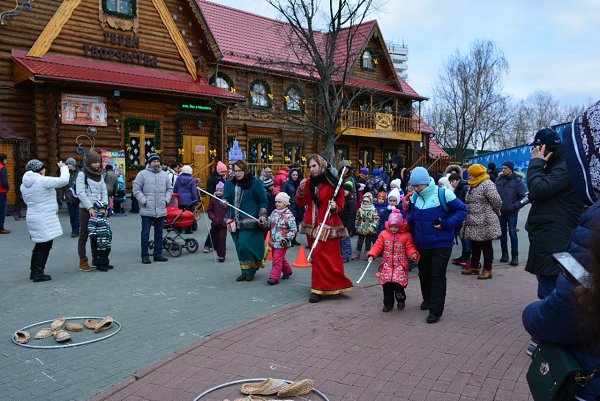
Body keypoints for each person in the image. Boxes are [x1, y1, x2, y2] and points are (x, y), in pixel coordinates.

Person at [526, 128, 584, 299]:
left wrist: (536, 163)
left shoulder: (565, 166)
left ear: (544, 148)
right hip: (552, 236)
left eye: (536, 149)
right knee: (569, 282)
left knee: (552, 290)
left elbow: (538, 189)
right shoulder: (558, 165)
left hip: (556, 237)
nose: (533, 153)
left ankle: (561, 322)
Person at [406, 167, 467, 323]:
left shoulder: (443, 194)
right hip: (422, 243)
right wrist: (402, 225)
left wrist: (447, 224)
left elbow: (462, 210)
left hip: (442, 243)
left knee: (437, 275)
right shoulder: (415, 197)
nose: (415, 189)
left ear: (426, 183)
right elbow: (413, 216)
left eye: (418, 186)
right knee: (424, 273)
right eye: (413, 186)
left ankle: (436, 310)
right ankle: (427, 299)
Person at [296, 154, 354, 303]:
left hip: (328, 225)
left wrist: (335, 206)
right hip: (311, 226)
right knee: (317, 257)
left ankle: (322, 288)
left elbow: (340, 200)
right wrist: (300, 191)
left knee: (328, 258)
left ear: (321, 165)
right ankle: (320, 286)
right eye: (309, 167)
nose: (311, 169)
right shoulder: (308, 183)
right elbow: (301, 203)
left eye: (314, 166)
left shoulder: (332, 182)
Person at [20, 159, 69, 282]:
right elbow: (64, 181)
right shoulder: (42, 180)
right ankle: (38, 273)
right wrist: (63, 167)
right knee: (45, 245)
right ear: (39, 170)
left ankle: (34, 271)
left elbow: (27, 201)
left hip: (33, 216)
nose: (45, 170)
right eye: (43, 168)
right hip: (44, 217)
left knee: (39, 244)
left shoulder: (24, 184)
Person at [223, 159, 268, 282]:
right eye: (235, 171)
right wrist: (224, 202)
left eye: (240, 171)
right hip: (233, 220)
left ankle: (252, 268)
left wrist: (262, 214)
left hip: (249, 219)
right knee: (239, 247)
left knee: (244, 243)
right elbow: (225, 199)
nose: (237, 173)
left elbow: (263, 201)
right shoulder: (229, 183)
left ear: (246, 170)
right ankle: (245, 271)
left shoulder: (255, 183)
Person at [368, 209, 419, 312]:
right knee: (386, 287)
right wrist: (372, 254)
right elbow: (378, 245)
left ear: (400, 226)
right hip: (386, 265)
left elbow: (409, 247)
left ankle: (401, 300)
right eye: (392, 226)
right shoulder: (383, 234)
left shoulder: (406, 236)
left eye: (396, 226)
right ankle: (388, 304)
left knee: (398, 286)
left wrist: (413, 254)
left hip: (400, 265)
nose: (394, 229)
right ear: (388, 225)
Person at [459, 164, 502, 279]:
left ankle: (488, 269)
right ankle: (474, 266)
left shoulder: (487, 184)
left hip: (485, 220)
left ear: (476, 174)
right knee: (475, 244)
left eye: (470, 175)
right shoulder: (473, 184)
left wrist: (495, 211)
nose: (469, 177)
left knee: (486, 245)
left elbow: (496, 200)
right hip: (473, 220)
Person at [133, 153, 173, 264]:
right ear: (149, 163)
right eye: (154, 161)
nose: (156, 163)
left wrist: (166, 200)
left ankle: (158, 254)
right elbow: (136, 190)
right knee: (145, 234)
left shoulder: (164, 175)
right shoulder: (142, 174)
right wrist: (144, 201)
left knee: (159, 233)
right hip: (147, 209)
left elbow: (170, 189)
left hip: (161, 208)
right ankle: (145, 256)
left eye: (158, 161)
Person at [76, 151, 108, 272]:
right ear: (88, 163)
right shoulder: (82, 174)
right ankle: (83, 261)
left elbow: (104, 191)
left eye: (98, 161)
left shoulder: (100, 174)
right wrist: (89, 207)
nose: (97, 164)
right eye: (94, 162)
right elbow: (80, 192)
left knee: (97, 235)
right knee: (84, 235)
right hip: (85, 209)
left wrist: (104, 206)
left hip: (99, 209)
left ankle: (96, 258)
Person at [495, 160, 528, 265]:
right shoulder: (498, 180)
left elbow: (526, 197)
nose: (503, 170)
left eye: (505, 168)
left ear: (511, 169)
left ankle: (515, 256)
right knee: (502, 234)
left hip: (512, 212)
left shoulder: (518, 182)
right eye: (502, 168)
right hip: (500, 212)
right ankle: (504, 254)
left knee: (513, 233)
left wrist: (515, 206)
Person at [267, 192, 297, 285]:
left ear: (285, 203)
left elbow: (293, 229)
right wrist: (264, 223)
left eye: (279, 202)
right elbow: (269, 223)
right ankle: (288, 271)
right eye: (276, 202)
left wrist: (287, 238)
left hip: (282, 242)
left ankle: (274, 277)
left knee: (276, 259)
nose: (277, 204)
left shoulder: (289, 215)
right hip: (273, 240)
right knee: (280, 258)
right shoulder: (274, 213)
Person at [448, 171, 471, 266]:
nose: (451, 183)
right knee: (462, 235)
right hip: (462, 214)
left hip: (465, 215)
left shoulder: (464, 188)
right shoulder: (459, 188)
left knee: (464, 235)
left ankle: (466, 255)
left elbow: (463, 202)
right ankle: (465, 254)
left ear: (457, 180)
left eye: (452, 181)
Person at [204, 161, 228, 252]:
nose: (224, 173)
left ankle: (217, 244)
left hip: (223, 204)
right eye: (222, 172)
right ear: (218, 171)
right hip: (215, 203)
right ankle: (208, 244)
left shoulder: (224, 179)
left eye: (225, 172)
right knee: (214, 226)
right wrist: (217, 193)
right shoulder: (212, 179)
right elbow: (209, 190)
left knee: (221, 226)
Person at [352, 192, 379, 261]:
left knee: (368, 242)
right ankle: (357, 253)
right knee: (359, 241)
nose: (365, 202)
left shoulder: (373, 210)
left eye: (367, 201)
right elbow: (357, 218)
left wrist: (373, 226)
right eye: (364, 201)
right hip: (361, 228)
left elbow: (376, 219)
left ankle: (367, 253)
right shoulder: (360, 209)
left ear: (370, 201)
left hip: (370, 228)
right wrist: (357, 225)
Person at [87, 200, 113, 272]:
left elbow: (107, 228)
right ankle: (99, 265)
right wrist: (93, 235)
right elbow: (91, 227)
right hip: (99, 240)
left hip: (106, 239)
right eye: (101, 209)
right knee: (99, 253)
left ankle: (105, 263)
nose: (103, 211)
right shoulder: (94, 218)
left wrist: (110, 234)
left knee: (106, 251)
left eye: (104, 210)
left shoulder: (104, 218)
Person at [173, 165, 199, 234]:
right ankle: (188, 229)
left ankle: (178, 228)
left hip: (179, 200)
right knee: (189, 215)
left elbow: (174, 189)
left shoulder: (178, 179)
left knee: (179, 214)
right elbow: (194, 192)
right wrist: (196, 201)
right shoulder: (192, 180)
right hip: (189, 201)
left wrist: (174, 199)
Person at [281, 167, 304, 246]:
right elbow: (283, 194)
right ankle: (288, 239)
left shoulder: (299, 183)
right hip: (290, 205)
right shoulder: (286, 184)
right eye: (293, 175)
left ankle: (294, 239)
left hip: (298, 205)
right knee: (290, 223)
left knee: (296, 222)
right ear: (290, 175)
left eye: (296, 175)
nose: (295, 176)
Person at [207, 181, 228, 262]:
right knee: (216, 239)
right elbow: (209, 210)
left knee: (222, 238)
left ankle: (222, 255)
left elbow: (229, 210)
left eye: (221, 191)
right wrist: (213, 218)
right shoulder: (213, 199)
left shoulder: (226, 200)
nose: (219, 192)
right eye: (218, 190)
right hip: (215, 223)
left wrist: (226, 219)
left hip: (223, 223)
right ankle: (218, 251)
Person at [339, 181, 356, 262]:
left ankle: (346, 255)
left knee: (346, 241)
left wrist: (348, 227)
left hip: (347, 224)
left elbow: (351, 215)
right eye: (344, 189)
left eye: (347, 190)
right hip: (340, 223)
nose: (345, 191)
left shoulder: (351, 201)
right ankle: (341, 254)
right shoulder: (341, 199)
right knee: (340, 240)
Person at [63, 157, 80, 237]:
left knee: (77, 215)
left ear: (73, 164)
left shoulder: (79, 173)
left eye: (69, 164)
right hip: (68, 197)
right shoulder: (65, 173)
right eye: (67, 164)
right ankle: (74, 229)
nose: (68, 165)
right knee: (72, 215)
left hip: (77, 197)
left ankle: (76, 230)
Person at [0, 153, 9, 234]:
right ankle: (1, 228)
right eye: (6, 159)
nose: (6, 161)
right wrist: (7, 188)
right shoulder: (2, 168)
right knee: (2, 210)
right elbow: (4, 182)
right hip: (1, 192)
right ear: (3, 160)